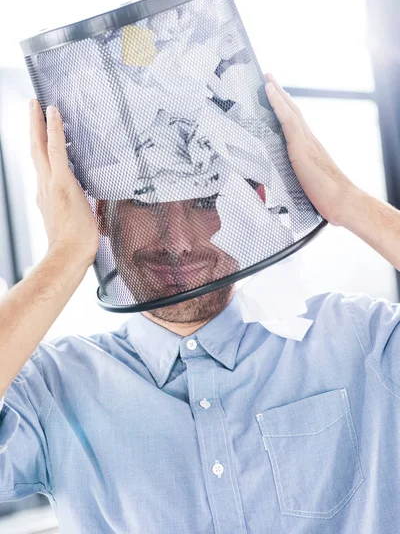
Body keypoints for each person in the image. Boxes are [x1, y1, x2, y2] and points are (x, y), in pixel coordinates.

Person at [0, 74, 399, 533]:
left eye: (205, 200)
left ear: (251, 203)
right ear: (101, 214)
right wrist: (66, 253)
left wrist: (348, 201)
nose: (178, 243)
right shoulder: (53, 387)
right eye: (143, 201)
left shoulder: (359, 340)